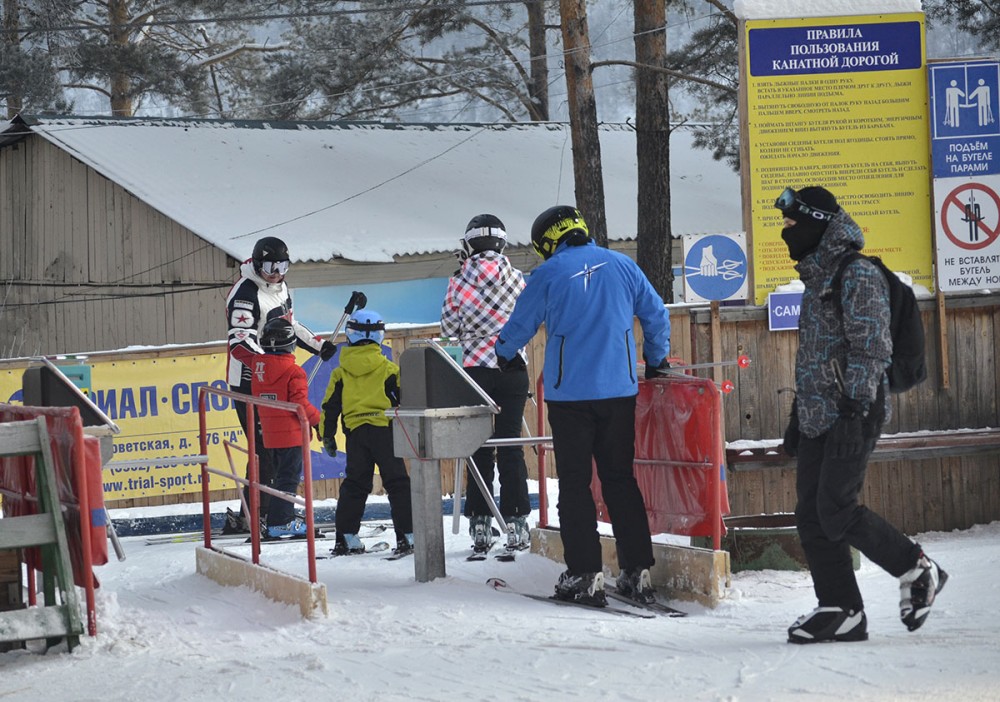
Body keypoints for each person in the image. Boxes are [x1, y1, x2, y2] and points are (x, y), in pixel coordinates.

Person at [776, 186, 948, 644]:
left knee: (836, 508)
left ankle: (917, 568)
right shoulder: (819, 280)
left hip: (855, 410)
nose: (785, 232)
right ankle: (841, 608)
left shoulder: (857, 275)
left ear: (816, 223)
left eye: (792, 224)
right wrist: (798, 414)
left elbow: (871, 349)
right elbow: (815, 357)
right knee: (812, 516)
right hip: (819, 413)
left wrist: (853, 410)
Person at [494, 205, 671, 607]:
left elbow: (520, 324)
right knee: (620, 479)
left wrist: (504, 353)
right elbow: (657, 315)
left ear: (547, 242)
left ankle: (584, 573)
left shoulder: (549, 274)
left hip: (569, 396)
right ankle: (637, 570)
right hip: (619, 392)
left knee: (574, 485)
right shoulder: (622, 265)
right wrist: (657, 361)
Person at [225, 236, 335, 534]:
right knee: (264, 450)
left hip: (273, 375)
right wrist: (266, 366)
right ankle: (256, 516)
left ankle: (260, 513)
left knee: (275, 450)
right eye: (271, 266)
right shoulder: (245, 293)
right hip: (250, 382)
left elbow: (289, 324)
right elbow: (239, 342)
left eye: (283, 266)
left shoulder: (281, 287)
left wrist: (317, 345)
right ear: (258, 264)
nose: (277, 272)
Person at [441, 214, 531, 558]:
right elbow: (527, 318)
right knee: (511, 444)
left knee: (479, 447)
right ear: (502, 243)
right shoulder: (516, 278)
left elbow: (449, 326)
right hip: (512, 368)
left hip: (474, 370)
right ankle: (518, 520)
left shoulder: (459, 279)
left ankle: (480, 522)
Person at [321, 309, 413, 556]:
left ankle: (347, 538)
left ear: (349, 334)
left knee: (355, 485)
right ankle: (408, 536)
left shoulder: (340, 373)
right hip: (385, 431)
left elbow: (330, 406)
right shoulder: (388, 369)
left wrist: (327, 435)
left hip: (356, 434)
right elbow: (405, 398)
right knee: (398, 483)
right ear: (379, 337)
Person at [251, 318, 321, 538]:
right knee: (288, 479)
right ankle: (280, 522)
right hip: (291, 435)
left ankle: (277, 517)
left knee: (279, 478)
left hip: (270, 435)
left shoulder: (257, 368)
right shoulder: (294, 372)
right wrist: (318, 419)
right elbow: (299, 404)